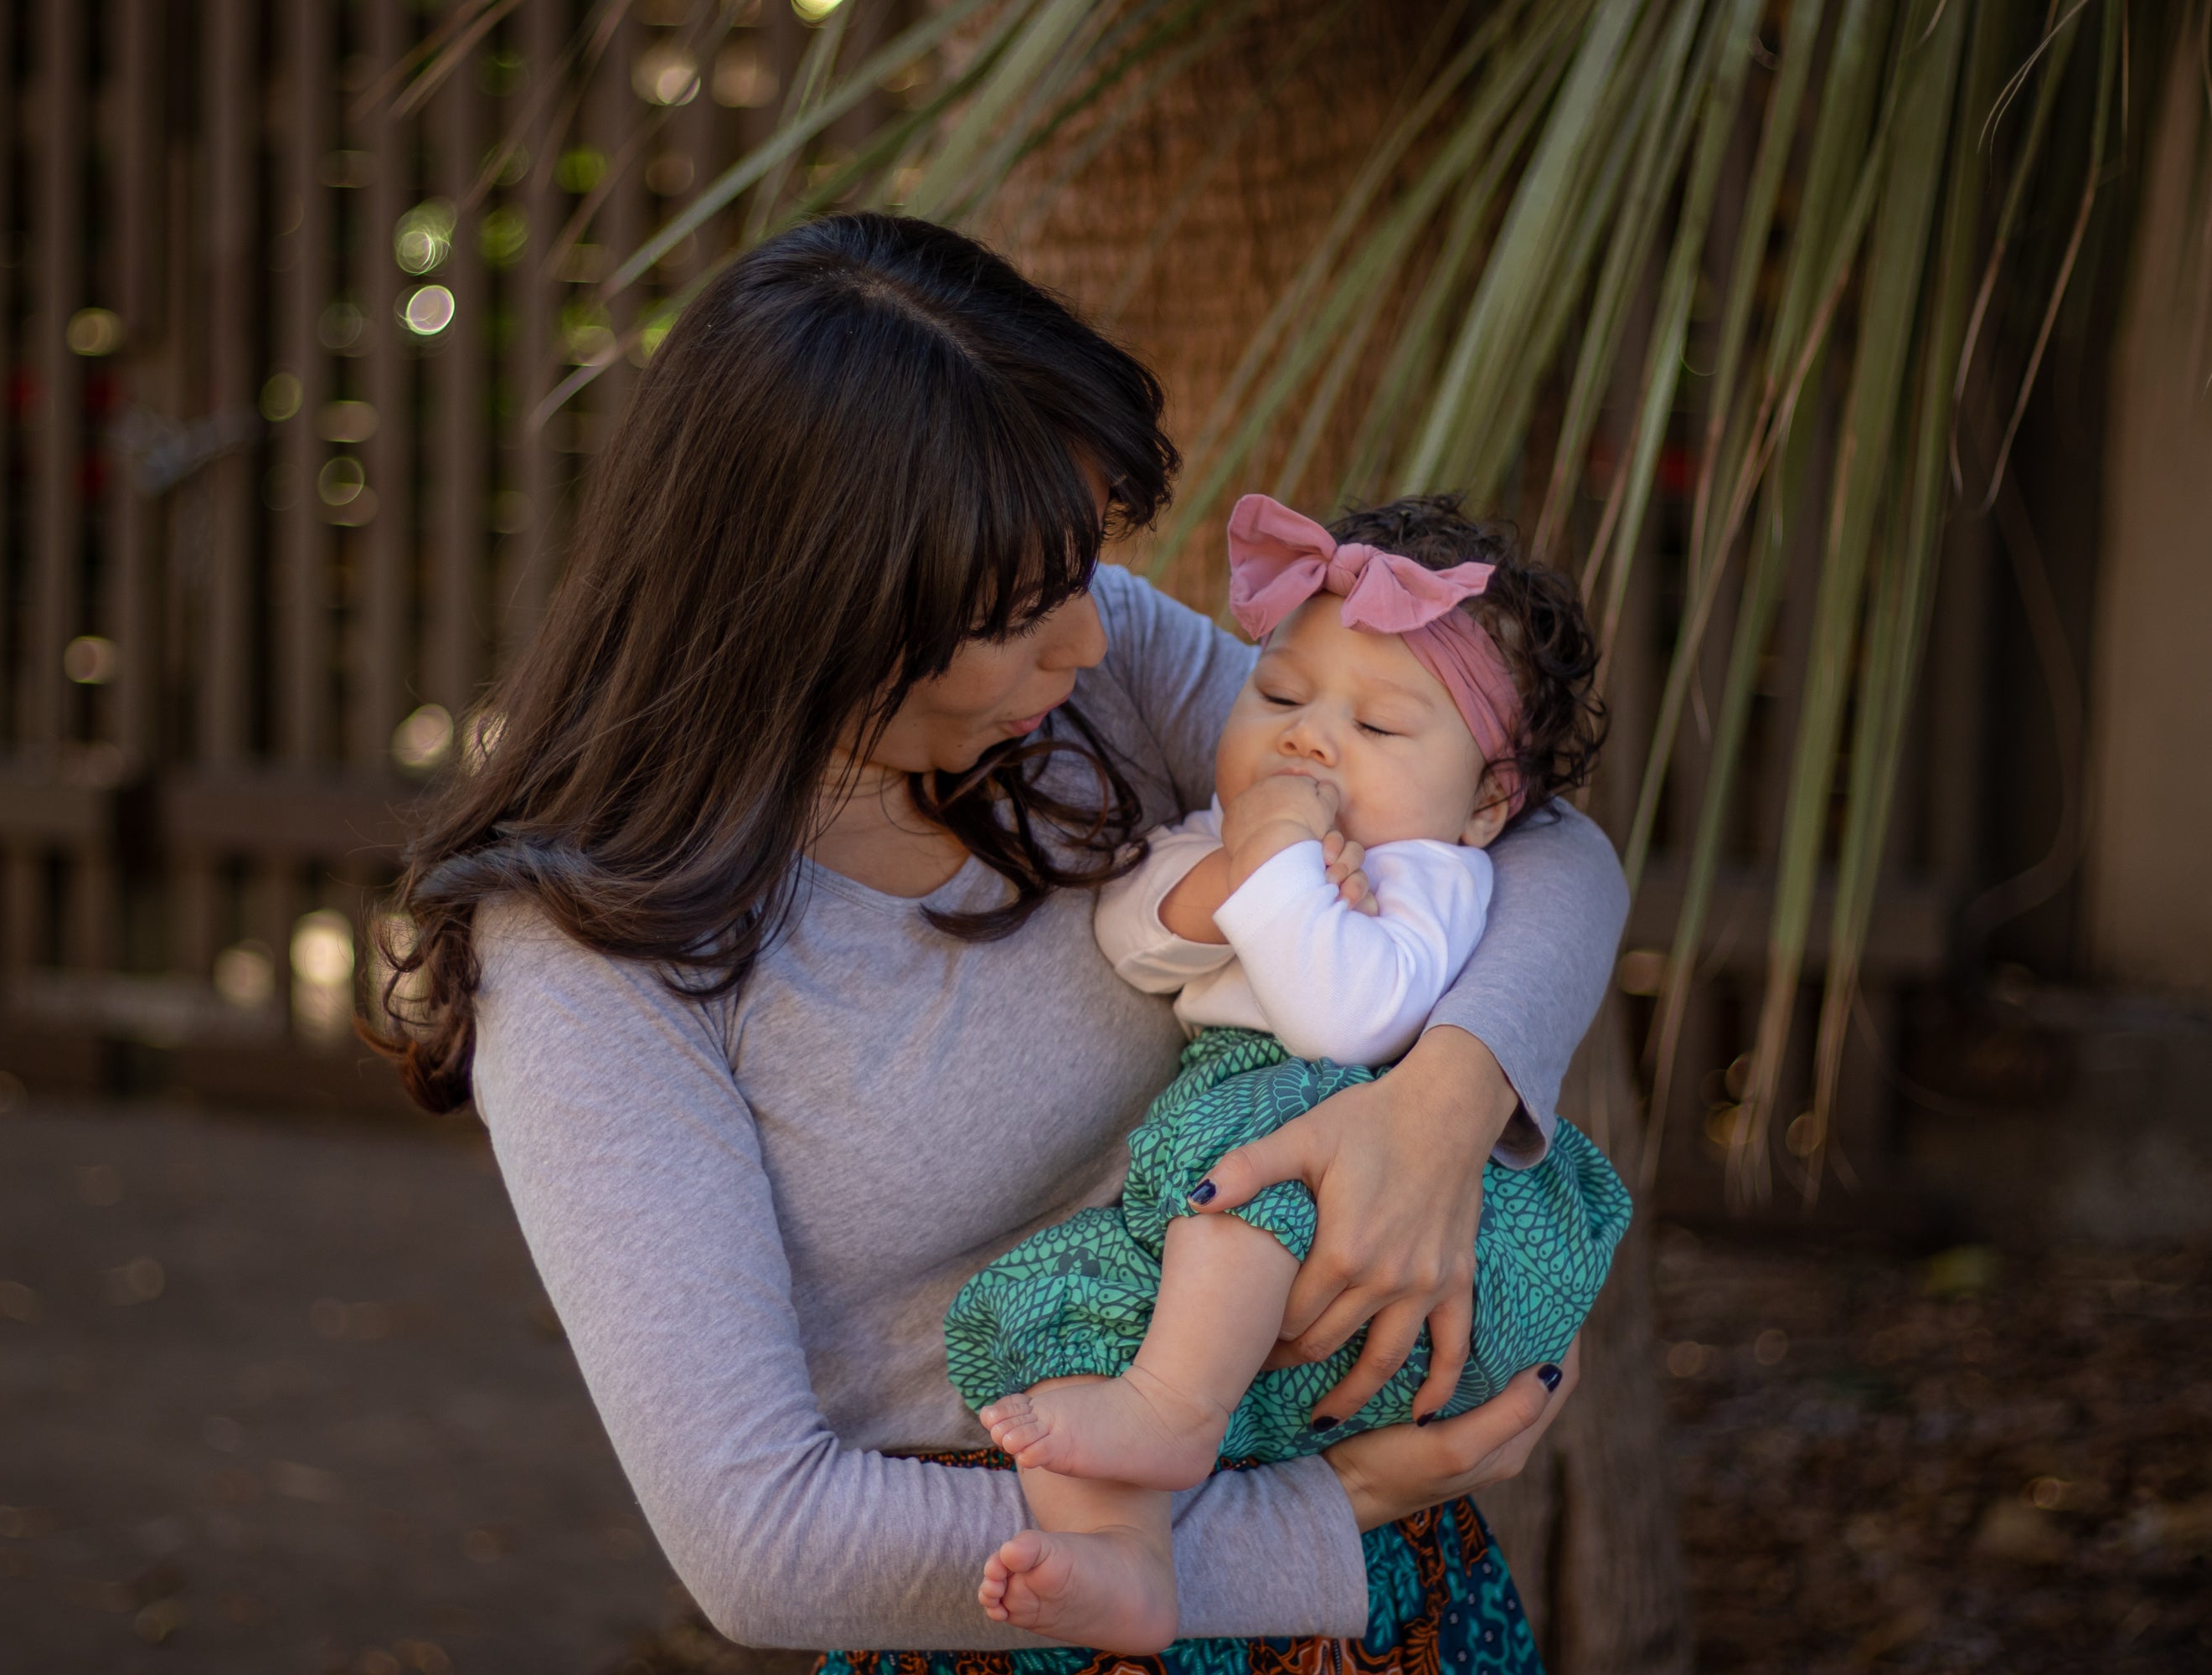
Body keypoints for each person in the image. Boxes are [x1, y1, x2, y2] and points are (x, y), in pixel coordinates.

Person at [374, 213, 1628, 1668]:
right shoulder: (593, 951)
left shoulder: (1079, 678)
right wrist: (1318, 1512)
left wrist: (1441, 1106)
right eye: (1023, 612)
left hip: (1401, 1601)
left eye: (1084, 574)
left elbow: (1540, 841)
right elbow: (764, 1546)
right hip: (1048, 1613)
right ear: (820, 609)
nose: (1091, 642)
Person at [950, 492, 1631, 1653]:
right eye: (1277, 697)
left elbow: (1343, 1013)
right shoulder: (1239, 839)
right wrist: (1230, 874)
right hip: (1233, 1240)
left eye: (1380, 729)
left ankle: (1174, 1410)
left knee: (1262, 1130)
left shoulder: (1438, 876)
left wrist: (1270, 871)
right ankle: (1127, 1559)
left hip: (1375, 1181)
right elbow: (1132, 937)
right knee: (1022, 1306)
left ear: (1484, 806)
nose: (1311, 738)